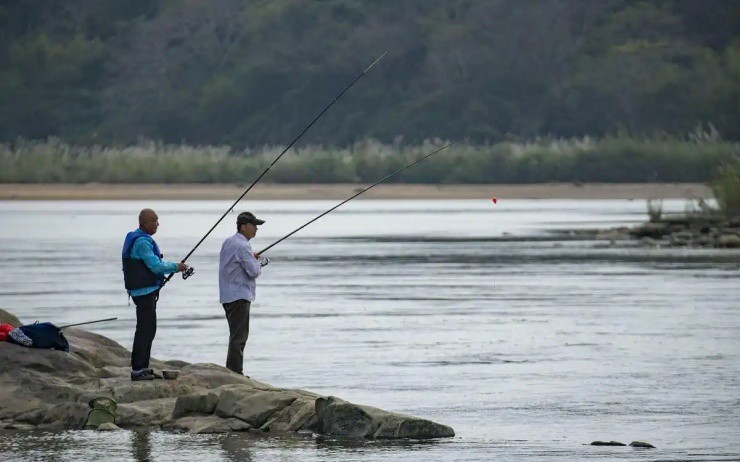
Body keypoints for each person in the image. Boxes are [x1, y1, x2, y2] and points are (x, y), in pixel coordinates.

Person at [122, 208, 188, 381]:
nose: (158, 224)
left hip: (143, 291)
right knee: (145, 330)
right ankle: (137, 370)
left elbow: (155, 264)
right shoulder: (142, 242)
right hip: (143, 293)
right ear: (145, 222)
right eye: (155, 221)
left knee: (148, 329)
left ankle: (143, 367)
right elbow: (155, 266)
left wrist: (173, 267)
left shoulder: (138, 238)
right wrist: (176, 267)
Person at [219, 211, 267, 376]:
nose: (256, 229)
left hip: (228, 295)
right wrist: (257, 262)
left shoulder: (229, 242)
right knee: (239, 337)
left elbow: (235, 262)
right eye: (254, 226)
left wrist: (250, 258)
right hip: (239, 295)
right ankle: (235, 371)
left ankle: (231, 370)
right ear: (244, 226)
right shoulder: (243, 245)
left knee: (235, 334)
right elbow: (253, 271)